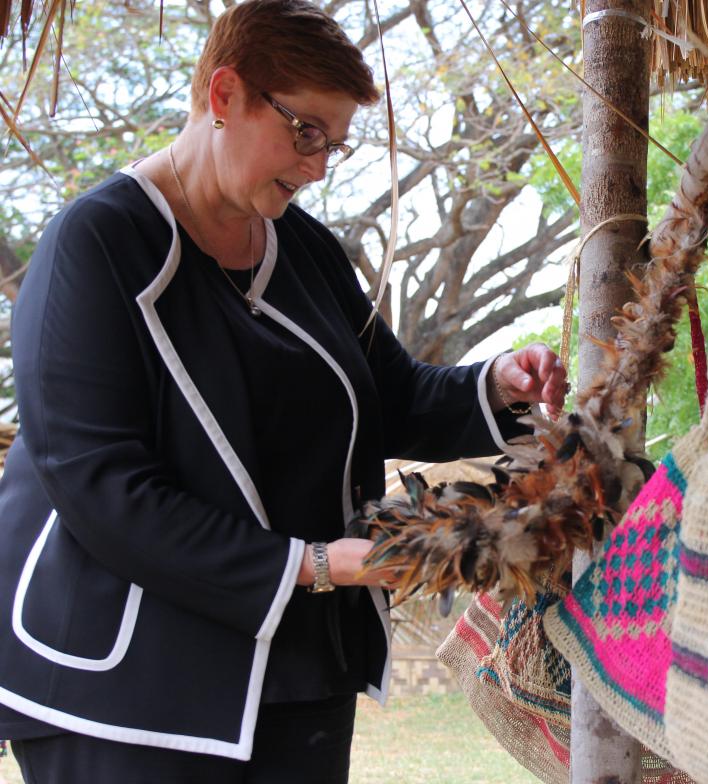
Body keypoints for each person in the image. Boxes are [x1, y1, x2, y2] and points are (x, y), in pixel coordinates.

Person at [0, 1, 568, 780]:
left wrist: (496, 383)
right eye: (304, 133)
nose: (317, 166)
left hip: (299, 669)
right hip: (129, 686)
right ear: (224, 94)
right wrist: (311, 566)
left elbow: (390, 398)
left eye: (335, 144)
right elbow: (99, 487)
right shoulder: (95, 243)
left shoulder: (304, 249)